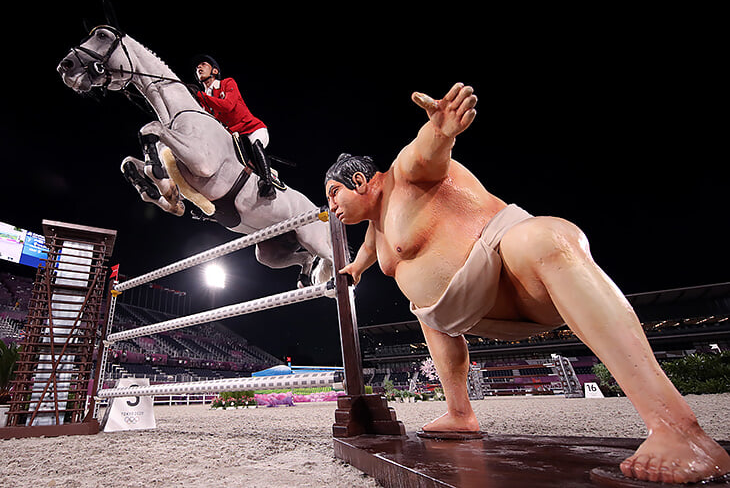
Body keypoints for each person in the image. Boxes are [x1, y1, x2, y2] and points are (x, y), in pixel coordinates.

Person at [324, 82, 730, 485]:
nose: (333, 208)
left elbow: (427, 151)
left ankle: (676, 428)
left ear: (360, 180)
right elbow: (369, 253)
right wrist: (355, 270)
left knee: (545, 237)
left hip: (512, 269)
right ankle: (461, 413)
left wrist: (441, 128)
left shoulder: (405, 173)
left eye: (334, 193)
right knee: (428, 314)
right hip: (469, 311)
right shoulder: (376, 230)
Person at [193, 55, 278, 198]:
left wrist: (200, 96)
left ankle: (267, 183)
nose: (198, 68)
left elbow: (228, 106)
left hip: (253, 129)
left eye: (202, 64)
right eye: (197, 67)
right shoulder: (204, 101)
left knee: (255, 145)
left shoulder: (227, 83)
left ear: (214, 71)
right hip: (233, 137)